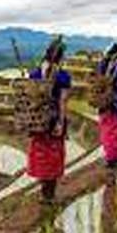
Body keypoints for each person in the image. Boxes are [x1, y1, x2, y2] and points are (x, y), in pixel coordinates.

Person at [27, 36, 71, 204]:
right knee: (53, 155)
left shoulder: (35, 73)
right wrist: (60, 122)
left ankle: (44, 192)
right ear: (60, 57)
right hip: (53, 121)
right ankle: (49, 195)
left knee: (41, 154)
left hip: (37, 121)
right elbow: (62, 101)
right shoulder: (62, 76)